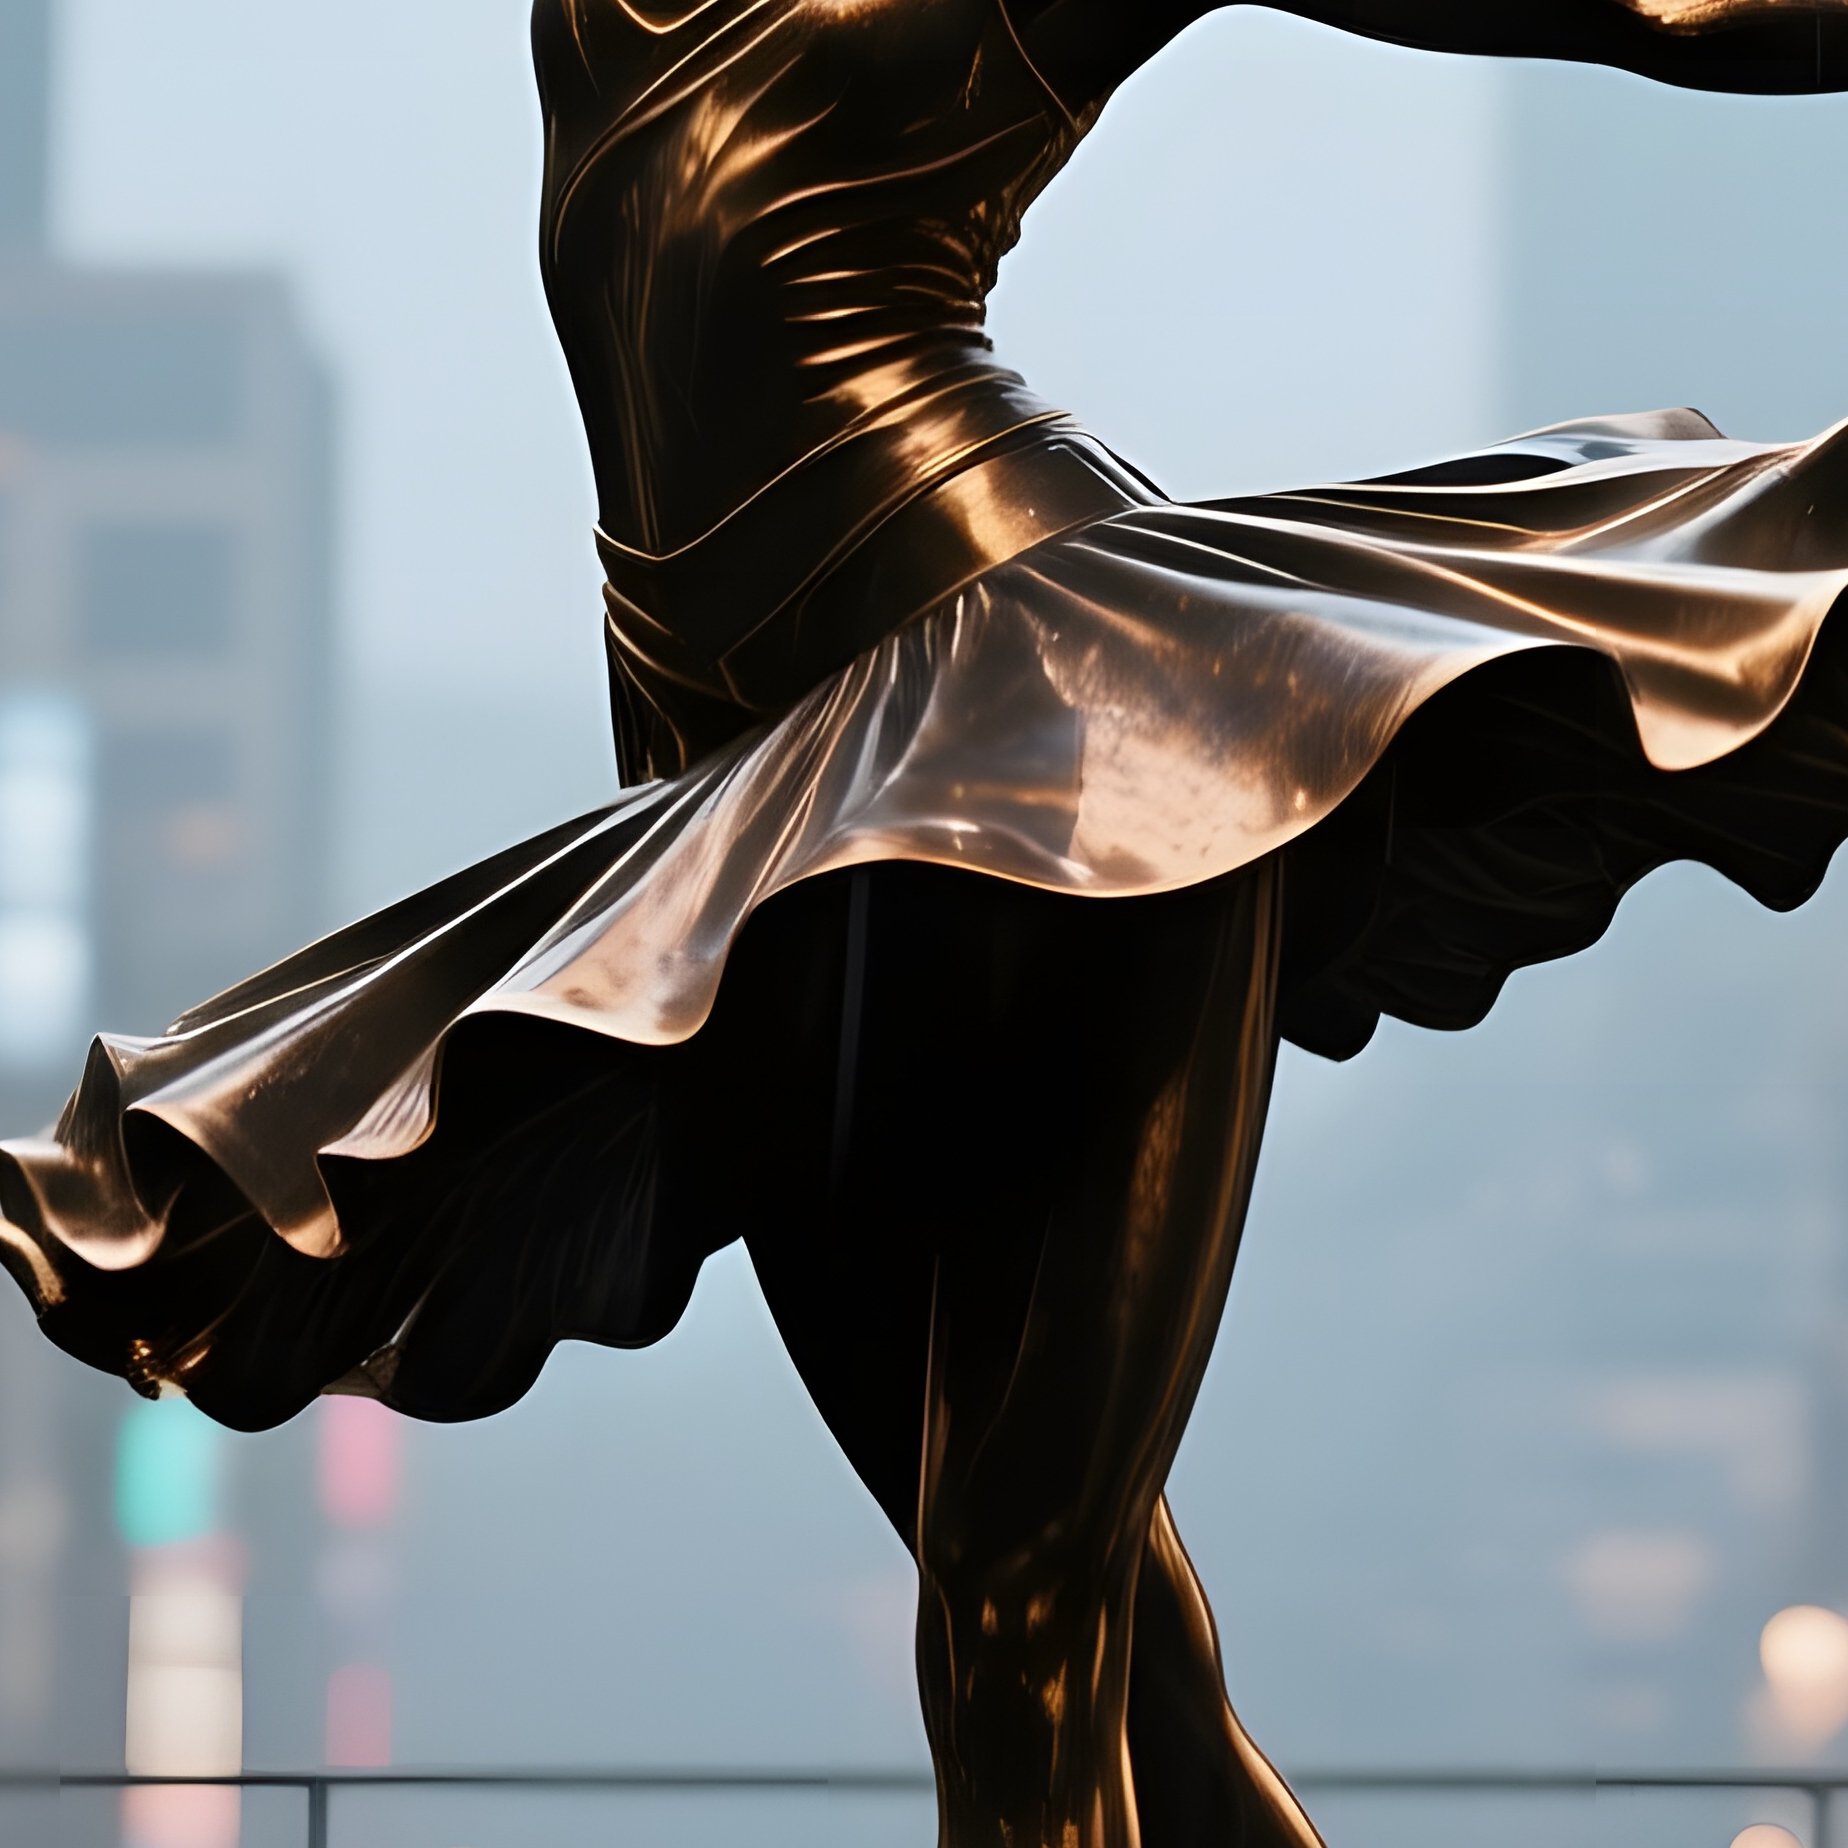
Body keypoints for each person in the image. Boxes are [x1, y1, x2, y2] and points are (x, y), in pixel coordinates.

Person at [4, 4, 1846, 1843]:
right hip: (752, 806)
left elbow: (1637, 6)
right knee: (1098, 1630)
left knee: (1024, 1590)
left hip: (1060, 731)